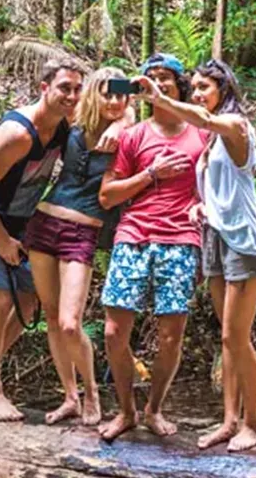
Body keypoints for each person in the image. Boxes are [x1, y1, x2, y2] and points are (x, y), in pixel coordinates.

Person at [133, 58, 256, 452]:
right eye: (193, 88)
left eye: (204, 88)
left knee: (236, 336)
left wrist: (160, 97)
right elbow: (220, 188)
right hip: (216, 236)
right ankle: (228, 421)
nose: (197, 94)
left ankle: (253, 424)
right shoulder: (212, 138)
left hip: (246, 241)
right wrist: (203, 208)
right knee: (226, 339)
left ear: (223, 88)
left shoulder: (233, 125)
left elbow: (201, 120)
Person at [0, 56, 89, 422]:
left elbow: (105, 121)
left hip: (20, 221)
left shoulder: (63, 127)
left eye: (77, 89)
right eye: (65, 87)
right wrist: (0, 239)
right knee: (1, 302)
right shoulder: (18, 134)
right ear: (44, 87)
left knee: (29, 303)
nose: (72, 95)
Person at [97, 53, 209, 441]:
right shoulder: (133, 136)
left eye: (166, 79)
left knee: (170, 336)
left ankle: (154, 409)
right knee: (114, 332)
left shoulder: (202, 133)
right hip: (134, 234)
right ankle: (126, 411)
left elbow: (222, 181)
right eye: (151, 80)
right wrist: (150, 174)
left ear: (180, 86)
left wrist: (202, 204)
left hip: (181, 238)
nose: (159, 85)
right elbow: (107, 196)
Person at [24, 67, 134, 426]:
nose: (115, 102)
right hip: (43, 224)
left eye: (121, 96)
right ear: (92, 94)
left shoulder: (130, 134)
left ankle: (91, 393)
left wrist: (122, 121)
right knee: (52, 318)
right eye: (107, 94)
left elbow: (140, 104)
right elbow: (46, 107)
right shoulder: (72, 122)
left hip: (82, 233)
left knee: (71, 322)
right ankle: (69, 396)